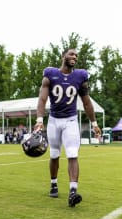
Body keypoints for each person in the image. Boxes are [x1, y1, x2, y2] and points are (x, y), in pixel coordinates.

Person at [34, 48, 101, 207]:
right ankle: (54, 183)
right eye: (72, 54)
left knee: (72, 153)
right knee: (55, 154)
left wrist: (94, 124)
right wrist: (39, 119)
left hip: (70, 120)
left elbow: (86, 102)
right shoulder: (50, 73)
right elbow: (42, 99)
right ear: (63, 56)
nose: (75, 57)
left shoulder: (80, 76)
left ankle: (73, 191)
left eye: (77, 55)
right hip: (54, 120)